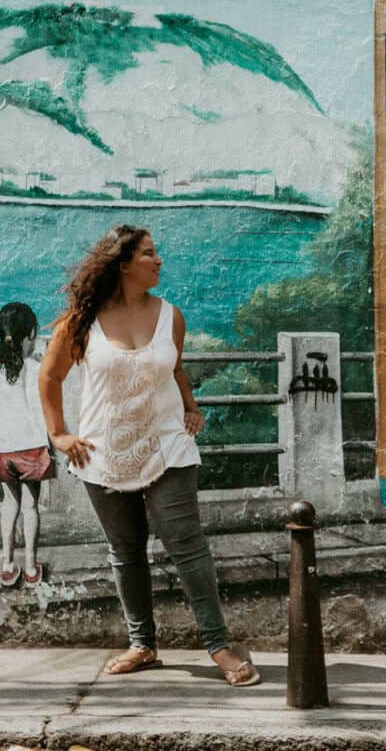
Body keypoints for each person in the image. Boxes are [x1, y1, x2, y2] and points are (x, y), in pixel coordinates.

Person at [37, 225, 261, 687]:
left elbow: (173, 366)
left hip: (168, 443)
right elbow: (50, 376)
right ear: (122, 264)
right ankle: (143, 645)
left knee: (186, 542)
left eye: (157, 254)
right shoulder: (83, 321)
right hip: (102, 450)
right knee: (126, 549)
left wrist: (192, 405)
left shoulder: (170, 316)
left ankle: (218, 644)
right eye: (149, 255)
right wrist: (58, 433)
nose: (159, 262)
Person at [0, 302, 53, 588]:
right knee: (31, 506)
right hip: (31, 445)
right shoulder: (35, 370)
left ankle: (7, 565)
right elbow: (38, 408)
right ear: (31, 333)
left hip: (3, 447)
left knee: (10, 503)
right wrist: (51, 442)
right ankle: (31, 568)